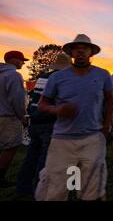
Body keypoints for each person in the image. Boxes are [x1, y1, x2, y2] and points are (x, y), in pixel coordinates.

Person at [35, 34, 113, 201]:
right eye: (76, 49)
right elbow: (42, 104)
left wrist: (106, 127)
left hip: (92, 139)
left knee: (93, 189)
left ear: (91, 52)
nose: (80, 52)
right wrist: (57, 110)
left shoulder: (103, 75)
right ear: (71, 53)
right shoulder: (57, 78)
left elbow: (110, 99)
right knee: (55, 190)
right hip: (62, 141)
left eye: (84, 48)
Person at [15, 53, 71, 198]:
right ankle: (38, 191)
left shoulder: (42, 77)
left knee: (31, 156)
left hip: (35, 122)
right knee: (45, 160)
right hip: (48, 123)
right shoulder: (61, 79)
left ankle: (22, 188)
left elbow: (34, 98)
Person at [0, 51, 29, 188]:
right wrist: (22, 117)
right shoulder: (14, 75)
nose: (23, 62)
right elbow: (16, 100)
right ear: (13, 60)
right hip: (9, 118)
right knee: (10, 148)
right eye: (21, 60)